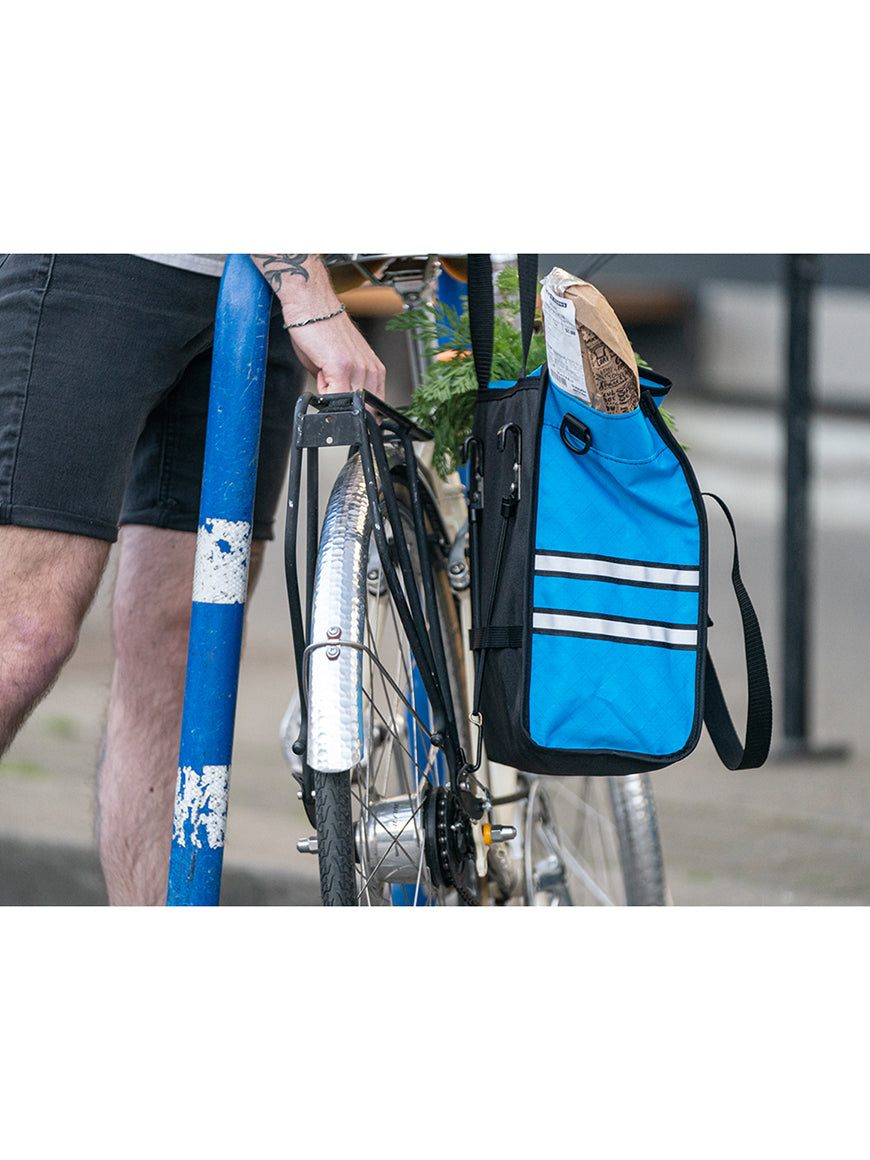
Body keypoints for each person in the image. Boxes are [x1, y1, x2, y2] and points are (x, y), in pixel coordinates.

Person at [0, 252, 385, 905]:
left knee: (186, 651)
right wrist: (309, 295)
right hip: (108, 262)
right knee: (23, 638)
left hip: (251, 294)